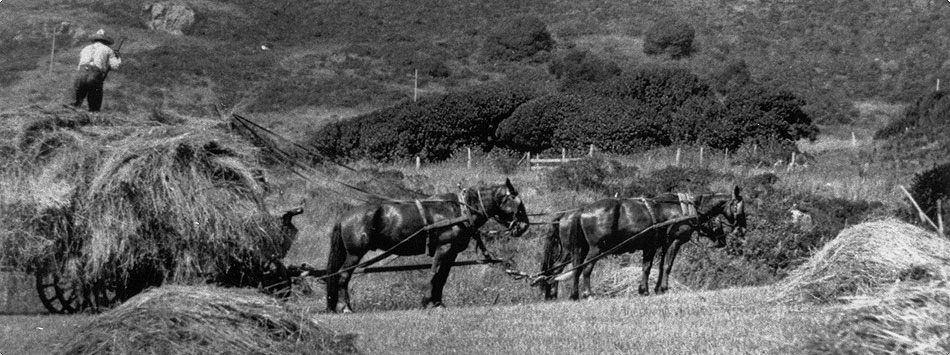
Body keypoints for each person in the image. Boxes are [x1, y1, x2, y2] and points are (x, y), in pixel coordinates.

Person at [72, 30, 121, 112]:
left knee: (77, 102)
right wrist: (117, 57)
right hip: (94, 75)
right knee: (94, 105)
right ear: (105, 41)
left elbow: (79, 65)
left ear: (94, 40)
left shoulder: (85, 48)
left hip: (81, 73)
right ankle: (93, 116)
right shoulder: (108, 50)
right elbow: (115, 66)